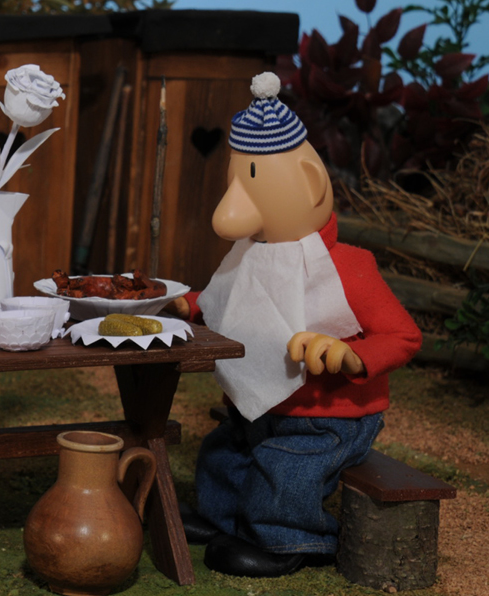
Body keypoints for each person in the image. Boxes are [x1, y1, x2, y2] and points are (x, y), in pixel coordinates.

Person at [170, 73, 422, 578]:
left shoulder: (350, 268)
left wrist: (353, 355)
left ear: (309, 183)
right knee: (226, 451)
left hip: (329, 417)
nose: (232, 208)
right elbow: (226, 297)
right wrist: (188, 305)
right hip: (257, 408)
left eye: (250, 184)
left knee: (288, 466)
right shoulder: (248, 255)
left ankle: (290, 539)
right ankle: (223, 520)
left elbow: (403, 335)